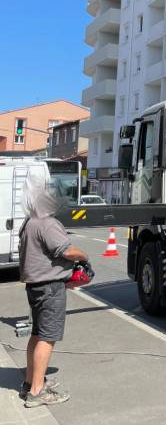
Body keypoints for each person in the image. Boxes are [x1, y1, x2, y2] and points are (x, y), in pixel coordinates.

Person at [18, 168, 89, 408]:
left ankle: (30, 382)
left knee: (37, 335)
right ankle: (37, 392)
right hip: (50, 289)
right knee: (47, 338)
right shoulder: (48, 224)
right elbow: (66, 251)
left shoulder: (29, 223)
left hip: (35, 287)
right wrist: (84, 255)